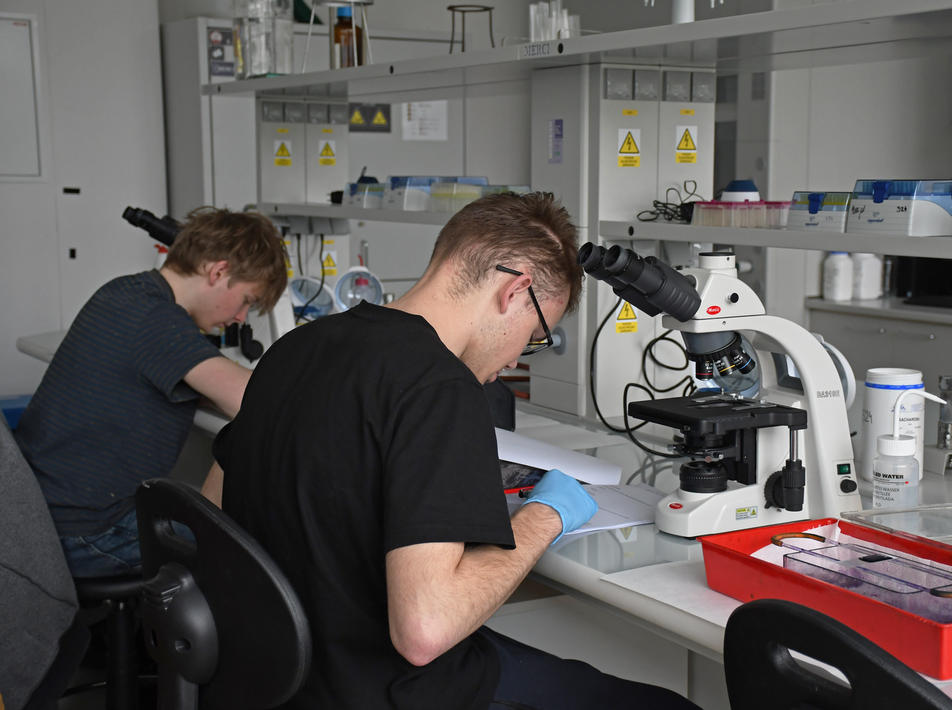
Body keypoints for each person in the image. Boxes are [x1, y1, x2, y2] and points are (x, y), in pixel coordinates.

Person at [212, 192, 700, 710]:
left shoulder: (296, 347)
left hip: (275, 677)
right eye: (535, 336)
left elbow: (212, 508)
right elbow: (425, 631)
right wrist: (546, 516)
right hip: (384, 688)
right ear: (515, 290)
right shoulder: (441, 388)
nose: (513, 360)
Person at [15, 207, 288, 579]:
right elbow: (254, 402)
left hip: (37, 513)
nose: (241, 317)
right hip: (85, 534)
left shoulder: (126, 292)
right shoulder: (156, 321)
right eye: (247, 300)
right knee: (252, 547)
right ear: (219, 272)